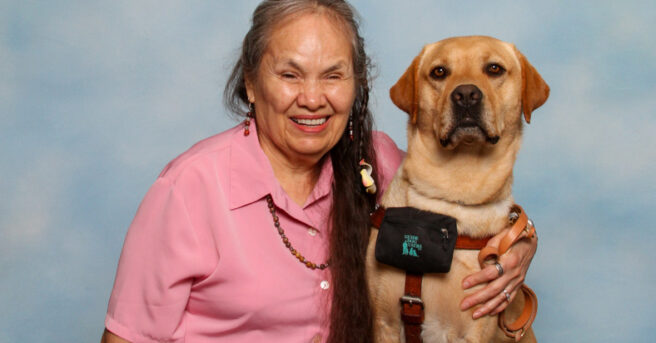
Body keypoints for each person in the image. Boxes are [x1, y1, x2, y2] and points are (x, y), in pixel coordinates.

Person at [101, 1, 538, 342]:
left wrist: (521, 244)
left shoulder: (379, 165)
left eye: (333, 76)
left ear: (356, 87)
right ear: (252, 83)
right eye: (290, 74)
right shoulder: (188, 190)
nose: (312, 99)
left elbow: (466, 203)